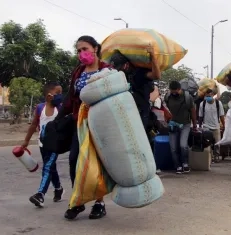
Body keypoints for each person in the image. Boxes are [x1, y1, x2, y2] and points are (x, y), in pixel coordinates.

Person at [56, 36, 111, 220]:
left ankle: (99, 203)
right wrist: (58, 117)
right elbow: (71, 97)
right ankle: (78, 200)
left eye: (84, 48)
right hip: (78, 123)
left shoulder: (107, 70)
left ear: (95, 48)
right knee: (74, 160)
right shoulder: (78, 71)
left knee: (97, 163)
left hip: (100, 122)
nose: (81, 53)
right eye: (78, 50)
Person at [22, 82, 64, 207]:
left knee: (47, 167)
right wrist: (26, 141)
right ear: (49, 95)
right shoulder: (40, 108)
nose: (60, 96)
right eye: (58, 93)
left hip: (55, 145)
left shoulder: (60, 108)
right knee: (51, 167)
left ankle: (40, 194)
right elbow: (34, 124)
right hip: (42, 143)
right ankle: (58, 188)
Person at [109, 47, 161, 129]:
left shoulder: (139, 73)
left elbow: (156, 75)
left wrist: (153, 55)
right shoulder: (122, 76)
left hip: (141, 113)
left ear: (126, 65)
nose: (118, 71)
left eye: (120, 68)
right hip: (127, 112)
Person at [165, 81, 197, 174]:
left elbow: (193, 111)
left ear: (180, 89)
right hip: (173, 125)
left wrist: (194, 124)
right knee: (173, 148)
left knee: (183, 145)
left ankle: (185, 164)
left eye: (175, 91)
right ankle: (178, 165)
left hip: (185, 124)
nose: (174, 93)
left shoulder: (187, 97)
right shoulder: (167, 97)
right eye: (172, 91)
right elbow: (165, 110)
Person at [198, 89, 225, 162]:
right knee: (207, 143)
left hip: (216, 126)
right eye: (206, 96)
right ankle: (210, 157)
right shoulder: (202, 104)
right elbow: (200, 116)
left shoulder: (218, 103)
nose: (208, 97)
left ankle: (216, 157)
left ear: (213, 95)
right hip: (206, 126)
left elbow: (221, 115)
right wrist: (200, 126)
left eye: (209, 96)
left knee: (217, 143)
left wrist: (224, 125)